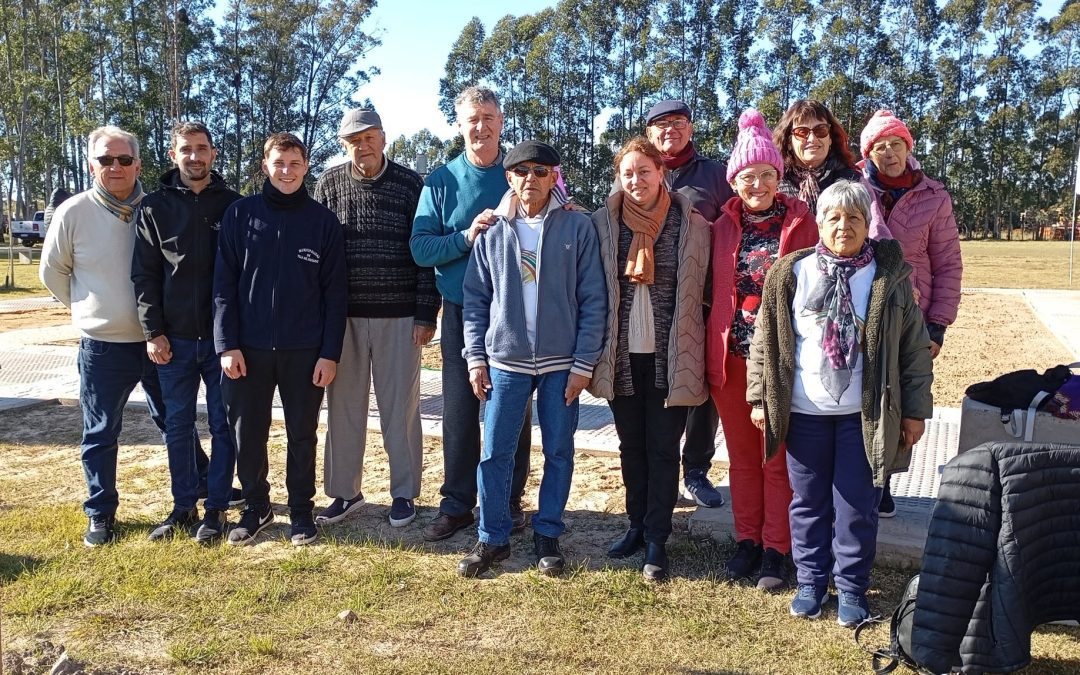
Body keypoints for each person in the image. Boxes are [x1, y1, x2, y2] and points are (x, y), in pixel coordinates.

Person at [746, 180, 933, 626]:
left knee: (856, 506)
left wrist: (914, 410)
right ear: (819, 222)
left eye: (854, 218)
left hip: (862, 417)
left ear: (869, 225)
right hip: (804, 413)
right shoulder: (791, 273)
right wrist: (758, 397)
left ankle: (851, 587)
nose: (843, 226)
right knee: (808, 503)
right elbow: (764, 342)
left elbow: (913, 349)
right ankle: (811, 581)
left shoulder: (889, 279)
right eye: (833, 217)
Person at [458, 140, 606, 577]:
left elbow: (593, 298)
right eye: (522, 171)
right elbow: (475, 300)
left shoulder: (577, 228)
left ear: (554, 177)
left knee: (559, 450)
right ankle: (492, 537)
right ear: (509, 178)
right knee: (494, 452)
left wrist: (583, 363)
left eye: (541, 172)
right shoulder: (492, 231)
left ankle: (548, 532)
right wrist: (475, 358)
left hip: (562, 363)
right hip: (505, 360)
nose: (531, 180)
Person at [411, 86, 532, 542]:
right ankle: (458, 504)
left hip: (516, 311)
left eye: (488, 117)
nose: (481, 126)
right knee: (460, 410)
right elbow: (421, 249)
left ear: (502, 120)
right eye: (472, 119)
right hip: (461, 311)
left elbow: (559, 218)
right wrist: (465, 237)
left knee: (513, 408)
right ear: (459, 125)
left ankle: (508, 501)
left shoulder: (524, 172)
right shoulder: (441, 182)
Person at [213, 132, 346, 547]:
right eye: (278, 163)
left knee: (301, 433)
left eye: (295, 164)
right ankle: (257, 507)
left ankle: (302, 510)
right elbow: (222, 286)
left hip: (304, 351)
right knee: (247, 432)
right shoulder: (240, 215)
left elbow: (335, 295)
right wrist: (226, 344)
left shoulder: (322, 222)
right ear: (264, 167)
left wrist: (329, 353)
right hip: (246, 350)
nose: (286, 172)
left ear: (306, 167)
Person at [39, 125, 170, 546]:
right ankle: (100, 513)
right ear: (91, 164)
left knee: (176, 423)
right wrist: (88, 310)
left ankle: (197, 494)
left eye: (124, 159)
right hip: (103, 347)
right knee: (100, 432)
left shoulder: (159, 208)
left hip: (159, 341)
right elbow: (52, 272)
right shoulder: (73, 212)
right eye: (105, 160)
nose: (115, 167)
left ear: (138, 164)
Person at [705, 110, 818, 591]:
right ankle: (747, 540)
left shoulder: (802, 224)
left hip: (781, 361)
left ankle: (778, 548)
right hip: (730, 360)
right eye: (747, 176)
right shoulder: (721, 226)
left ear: (779, 176)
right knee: (742, 458)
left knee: (777, 458)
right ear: (734, 180)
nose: (756, 184)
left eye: (766, 174)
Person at [590, 136, 710, 581]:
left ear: (662, 172)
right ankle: (636, 526)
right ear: (618, 178)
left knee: (663, 449)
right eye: (628, 173)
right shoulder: (603, 222)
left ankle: (659, 537)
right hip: (620, 356)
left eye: (644, 170)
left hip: (671, 355)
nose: (636, 180)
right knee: (630, 447)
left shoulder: (691, 224)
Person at [313, 109, 439, 529]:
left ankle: (404, 493)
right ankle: (345, 493)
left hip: (400, 317)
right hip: (343, 318)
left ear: (384, 138)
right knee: (343, 408)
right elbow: (318, 256)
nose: (361, 146)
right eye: (353, 140)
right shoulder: (328, 183)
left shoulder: (409, 185)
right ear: (343, 144)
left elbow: (424, 255)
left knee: (400, 410)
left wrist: (426, 313)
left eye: (369, 137)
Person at [132, 121, 243, 543]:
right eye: (186, 149)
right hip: (172, 342)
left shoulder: (234, 207)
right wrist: (153, 331)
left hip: (222, 343)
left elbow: (243, 276)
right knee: (177, 426)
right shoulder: (154, 208)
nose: (194, 156)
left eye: (202, 149)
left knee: (221, 424)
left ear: (213, 154)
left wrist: (233, 338)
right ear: (173, 155)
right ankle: (183, 506)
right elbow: (143, 275)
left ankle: (215, 511)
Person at [859, 110, 962, 517]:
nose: (889, 152)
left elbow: (948, 263)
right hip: (864, 307)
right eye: (879, 146)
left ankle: (884, 479)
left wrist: (938, 323)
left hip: (913, 313)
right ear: (869, 152)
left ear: (908, 147)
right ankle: (862, 472)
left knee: (903, 395)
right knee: (864, 393)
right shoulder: (855, 188)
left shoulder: (933, 196)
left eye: (896, 143)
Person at [643, 99, 732, 509]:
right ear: (649, 135)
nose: (669, 130)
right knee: (655, 388)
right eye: (660, 125)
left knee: (702, 391)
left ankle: (695, 469)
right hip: (649, 303)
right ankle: (655, 468)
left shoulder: (716, 176)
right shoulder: (639, 174)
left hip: (705, 301)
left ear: (690, 128)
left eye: (677, 122)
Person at [773, 99, 863, 217]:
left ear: (830, 138)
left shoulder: (854, 180)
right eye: (802, 132)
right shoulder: (774, 182)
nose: (812, 139)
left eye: (821, 130)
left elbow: (871, 228)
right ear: (789, 142)